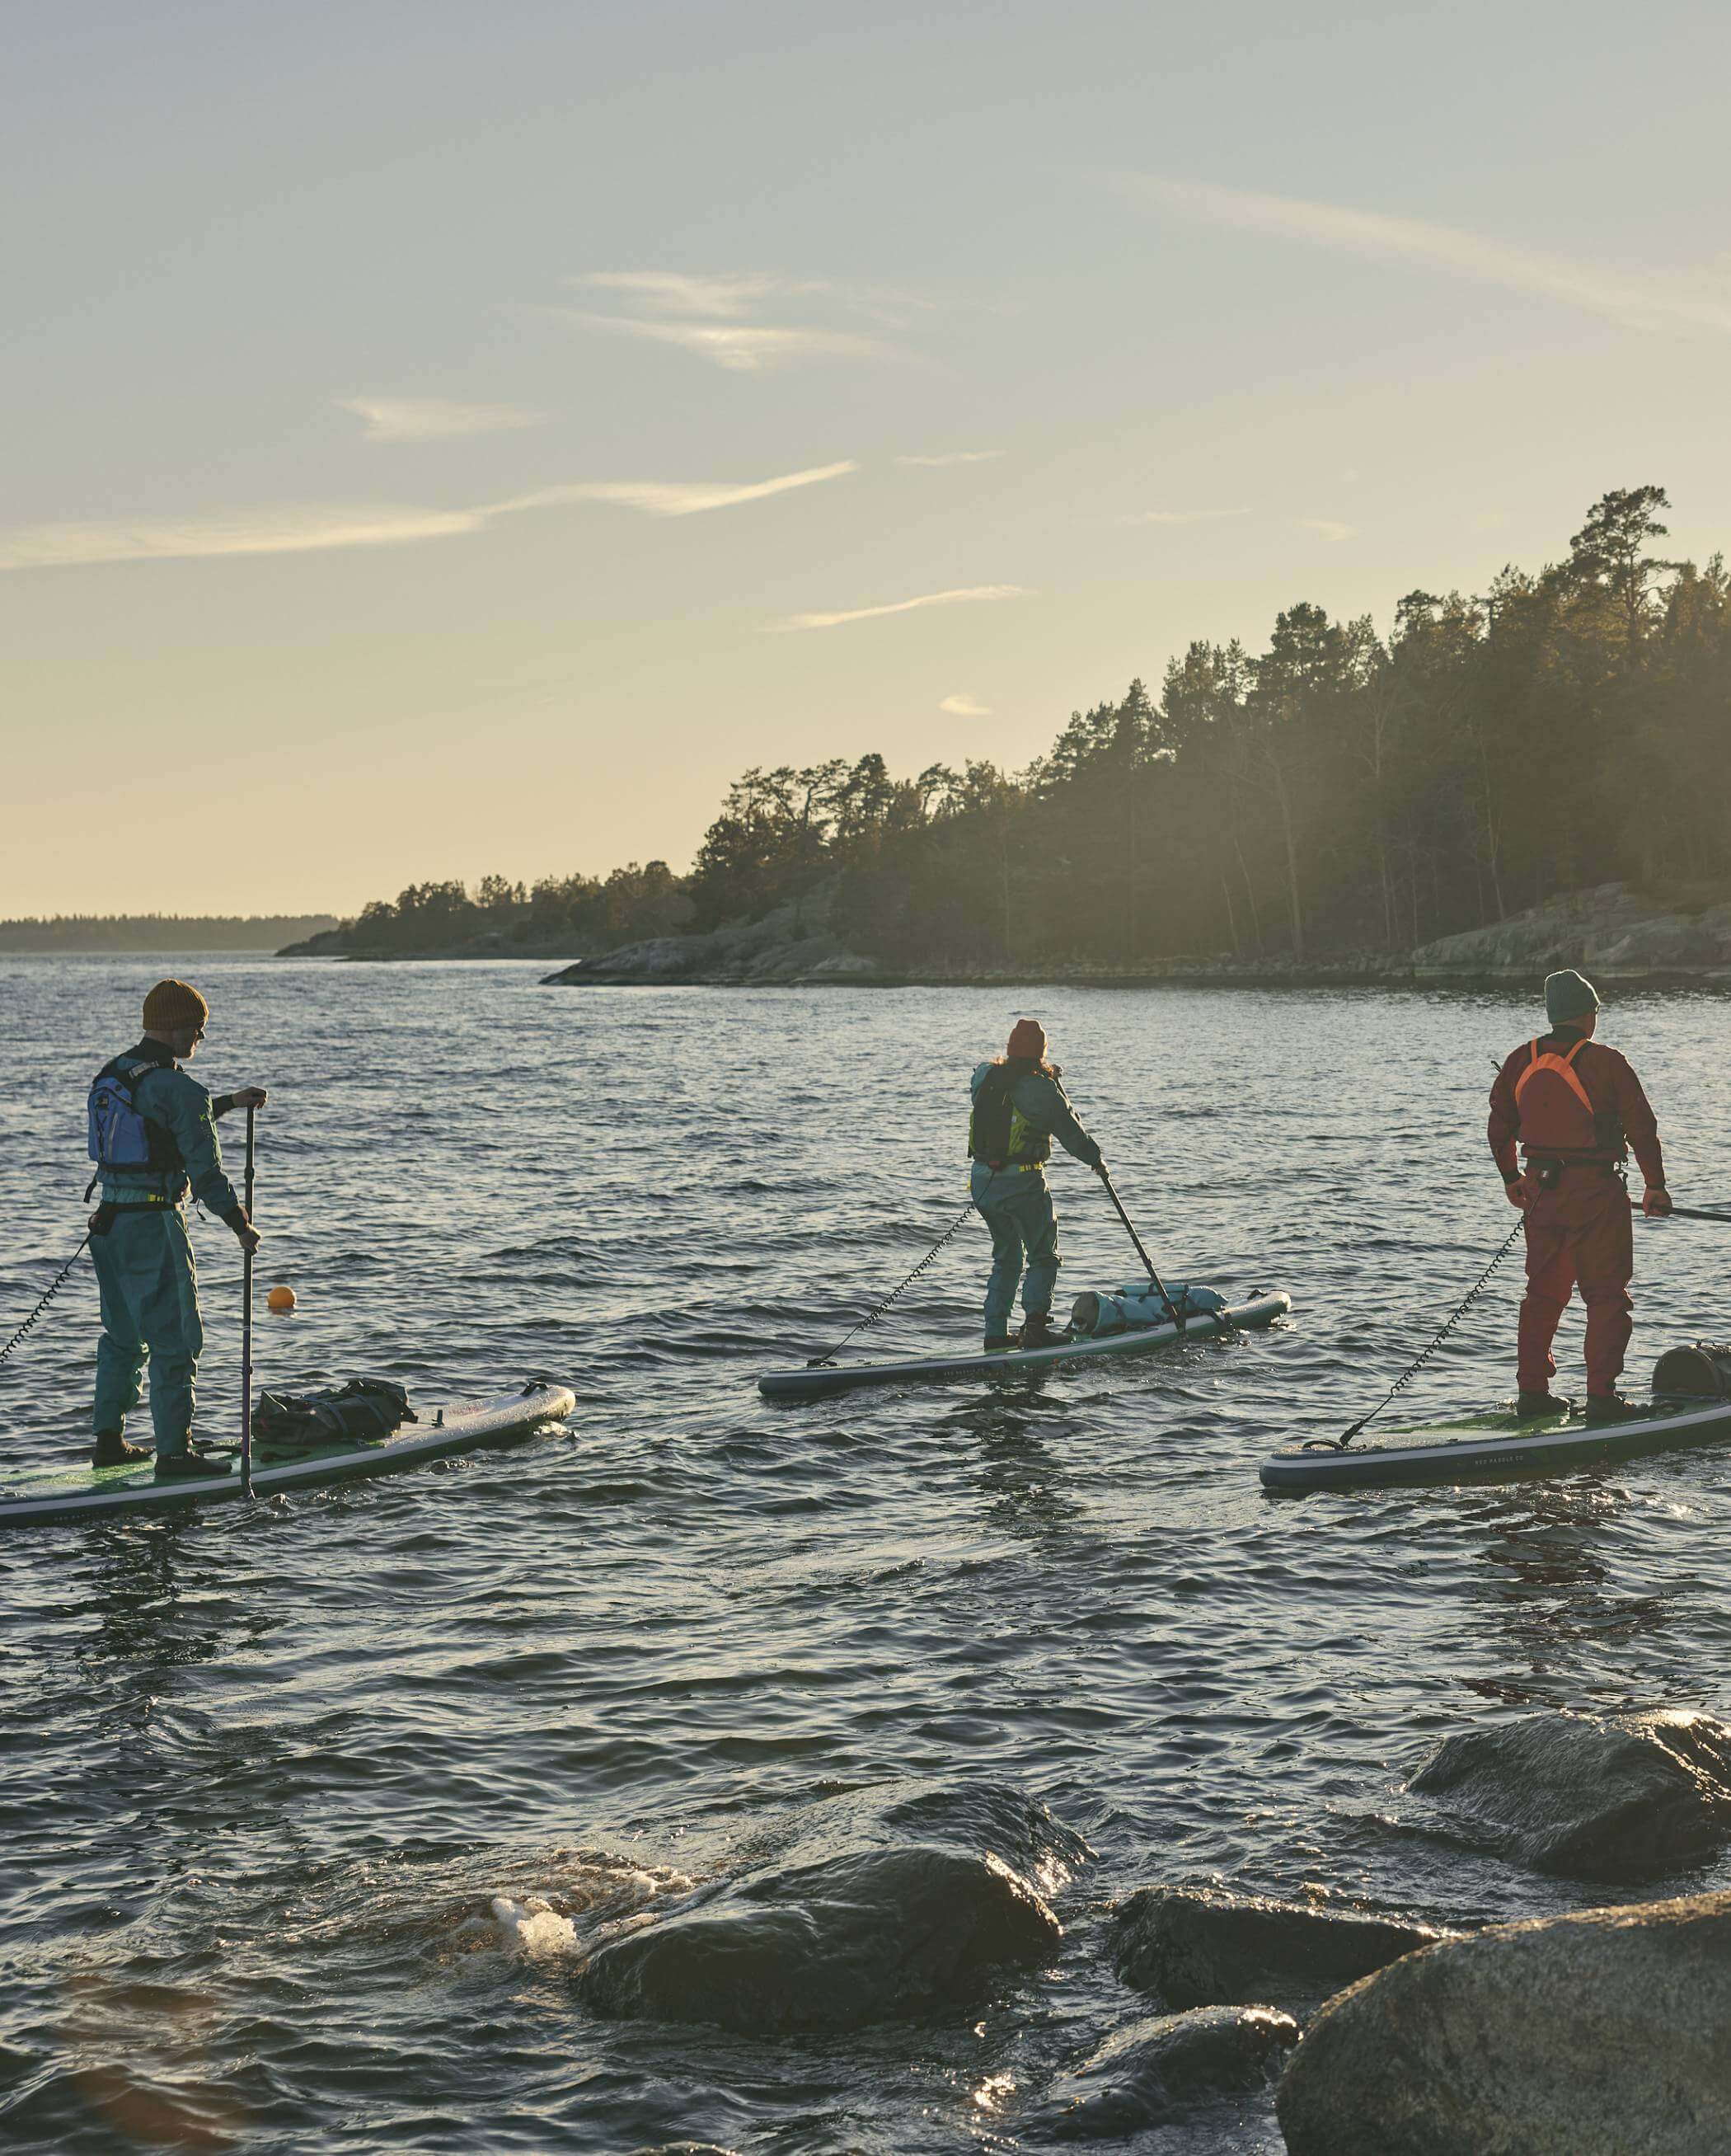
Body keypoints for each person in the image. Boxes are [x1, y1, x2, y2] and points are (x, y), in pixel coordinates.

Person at [86, 979, 266, 1477]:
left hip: (108, 1223)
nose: (199, 1040)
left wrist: (230, 1101)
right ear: (174, 1027)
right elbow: (205, 1172)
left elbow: (159, 1123)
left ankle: (108, 1441)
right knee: (177, 1340)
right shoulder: (179, 1086)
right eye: (197, 1029)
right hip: (154, 1225)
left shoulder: (115, 1074)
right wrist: (241, 1226)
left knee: (122, 1336)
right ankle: (174, 1453)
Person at [1487, 969, 1670, 1421]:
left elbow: (1499, 1125)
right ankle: (1603, 1400)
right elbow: (1642, 1129)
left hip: (1540, 1192)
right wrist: (1655, 1186)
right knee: (1606, 1295)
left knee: (1543, 1294)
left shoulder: (1520, 1059)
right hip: (1596, 1193)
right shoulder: (1607, 1061)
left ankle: (1533, 1394)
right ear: (1588, 1014)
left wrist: (1512, 1178)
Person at [969, 1017, 1103, 1353]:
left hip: (983, 1180)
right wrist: (1095, 1160)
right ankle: (1036, 1329)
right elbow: (1069, 1128)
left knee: (1008, 1256)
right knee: (1043, 1255)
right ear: (1041, 1052)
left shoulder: (984, 1077)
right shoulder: (1039, 1087)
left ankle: (996, 1334)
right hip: (1023, 1181)